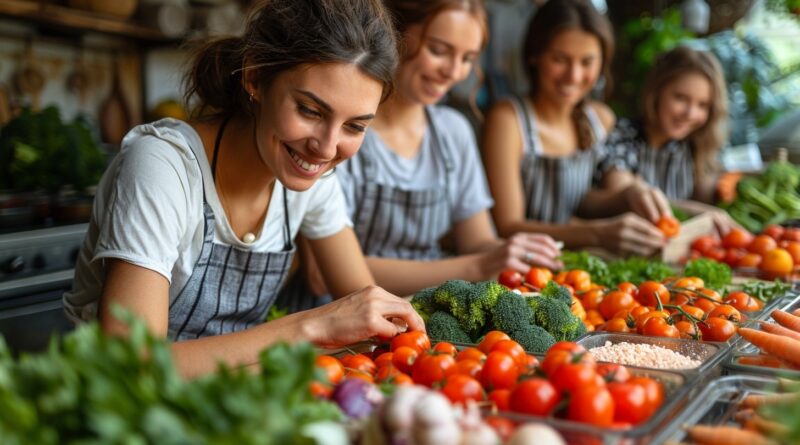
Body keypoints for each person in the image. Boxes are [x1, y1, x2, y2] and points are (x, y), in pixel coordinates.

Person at [62, 0, 423, 378]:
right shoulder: (162, 166)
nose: (327, 148)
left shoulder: (310, 177)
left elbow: (364, 311)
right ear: (254, 77)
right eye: (310, 111)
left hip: (223, 406)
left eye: (354, 126)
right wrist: (311, 326)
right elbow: (130, 365)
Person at [326, 0, 562, 298]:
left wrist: (513, 253)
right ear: (393, 34)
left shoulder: (453, 131)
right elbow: (324, 275)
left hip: (426, 315)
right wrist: (477, 267)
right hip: (342, 317)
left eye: (467, 58)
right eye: (438, 50)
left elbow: (477, 242)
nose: (453, 71)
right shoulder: (344, 132)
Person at [481, 0, 668, 257]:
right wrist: (597, 234)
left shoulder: (600, 119)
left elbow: (596, 197)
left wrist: (631, 192)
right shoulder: (509, 120)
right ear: (534, 55)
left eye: (587, 61)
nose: (574, 75)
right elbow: (508, 226)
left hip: (585, 268)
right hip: (524, 273)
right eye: (561, 59)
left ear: (603, 62)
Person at [599, 46, 735, 233]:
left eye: (702, 105)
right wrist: (702, 212)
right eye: (680, 98)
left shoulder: (692, 144)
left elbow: (711, 186)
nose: (690, 114)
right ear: (657, 91)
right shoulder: (624, 135)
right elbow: (622, 192)